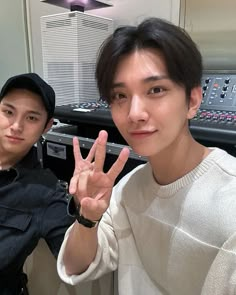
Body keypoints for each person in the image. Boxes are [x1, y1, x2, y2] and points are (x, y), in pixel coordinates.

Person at [57, 17, 236, 295]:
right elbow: (74, 267)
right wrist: (87, 218)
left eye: (156, 90)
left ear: (193, 100)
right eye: (120, 95)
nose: (134, 114)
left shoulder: (229, 201)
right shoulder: (128, 189)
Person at [0, 73, 74, 294]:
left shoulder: (45, 191)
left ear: (47, 126)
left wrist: (87, 216)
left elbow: (74, 264)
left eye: (31, 118)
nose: (16, 126)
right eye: (8, 112)